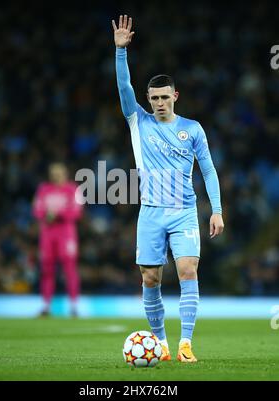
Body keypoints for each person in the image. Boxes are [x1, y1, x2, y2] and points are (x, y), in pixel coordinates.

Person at [112, 15, 224, 362]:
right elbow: (123, 88)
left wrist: (217, 209)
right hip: (150, 212)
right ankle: (159, 344)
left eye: (164, 97)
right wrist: (120, 52)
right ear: (147, 99)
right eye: (153, 98)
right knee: (150, 279)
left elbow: (207, 168)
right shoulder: (138, 120)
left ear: (175, 95)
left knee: (188, 269)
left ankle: (185, 343)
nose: (159, 102)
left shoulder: (192, 129)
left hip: (184, 212)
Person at [33, 162, 83, 317]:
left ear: (65, 174)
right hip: (47, 234)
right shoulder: (43, 189)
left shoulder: (73, 189)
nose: (56, 177)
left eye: (59, 173)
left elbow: (77, 211)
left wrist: (57, 214)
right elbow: (37, 209)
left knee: (69, 269)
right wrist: (46, 215)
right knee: (46, 269)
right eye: (53, 174)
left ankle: (74, 306)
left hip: (66, 233)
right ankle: (46, 306)